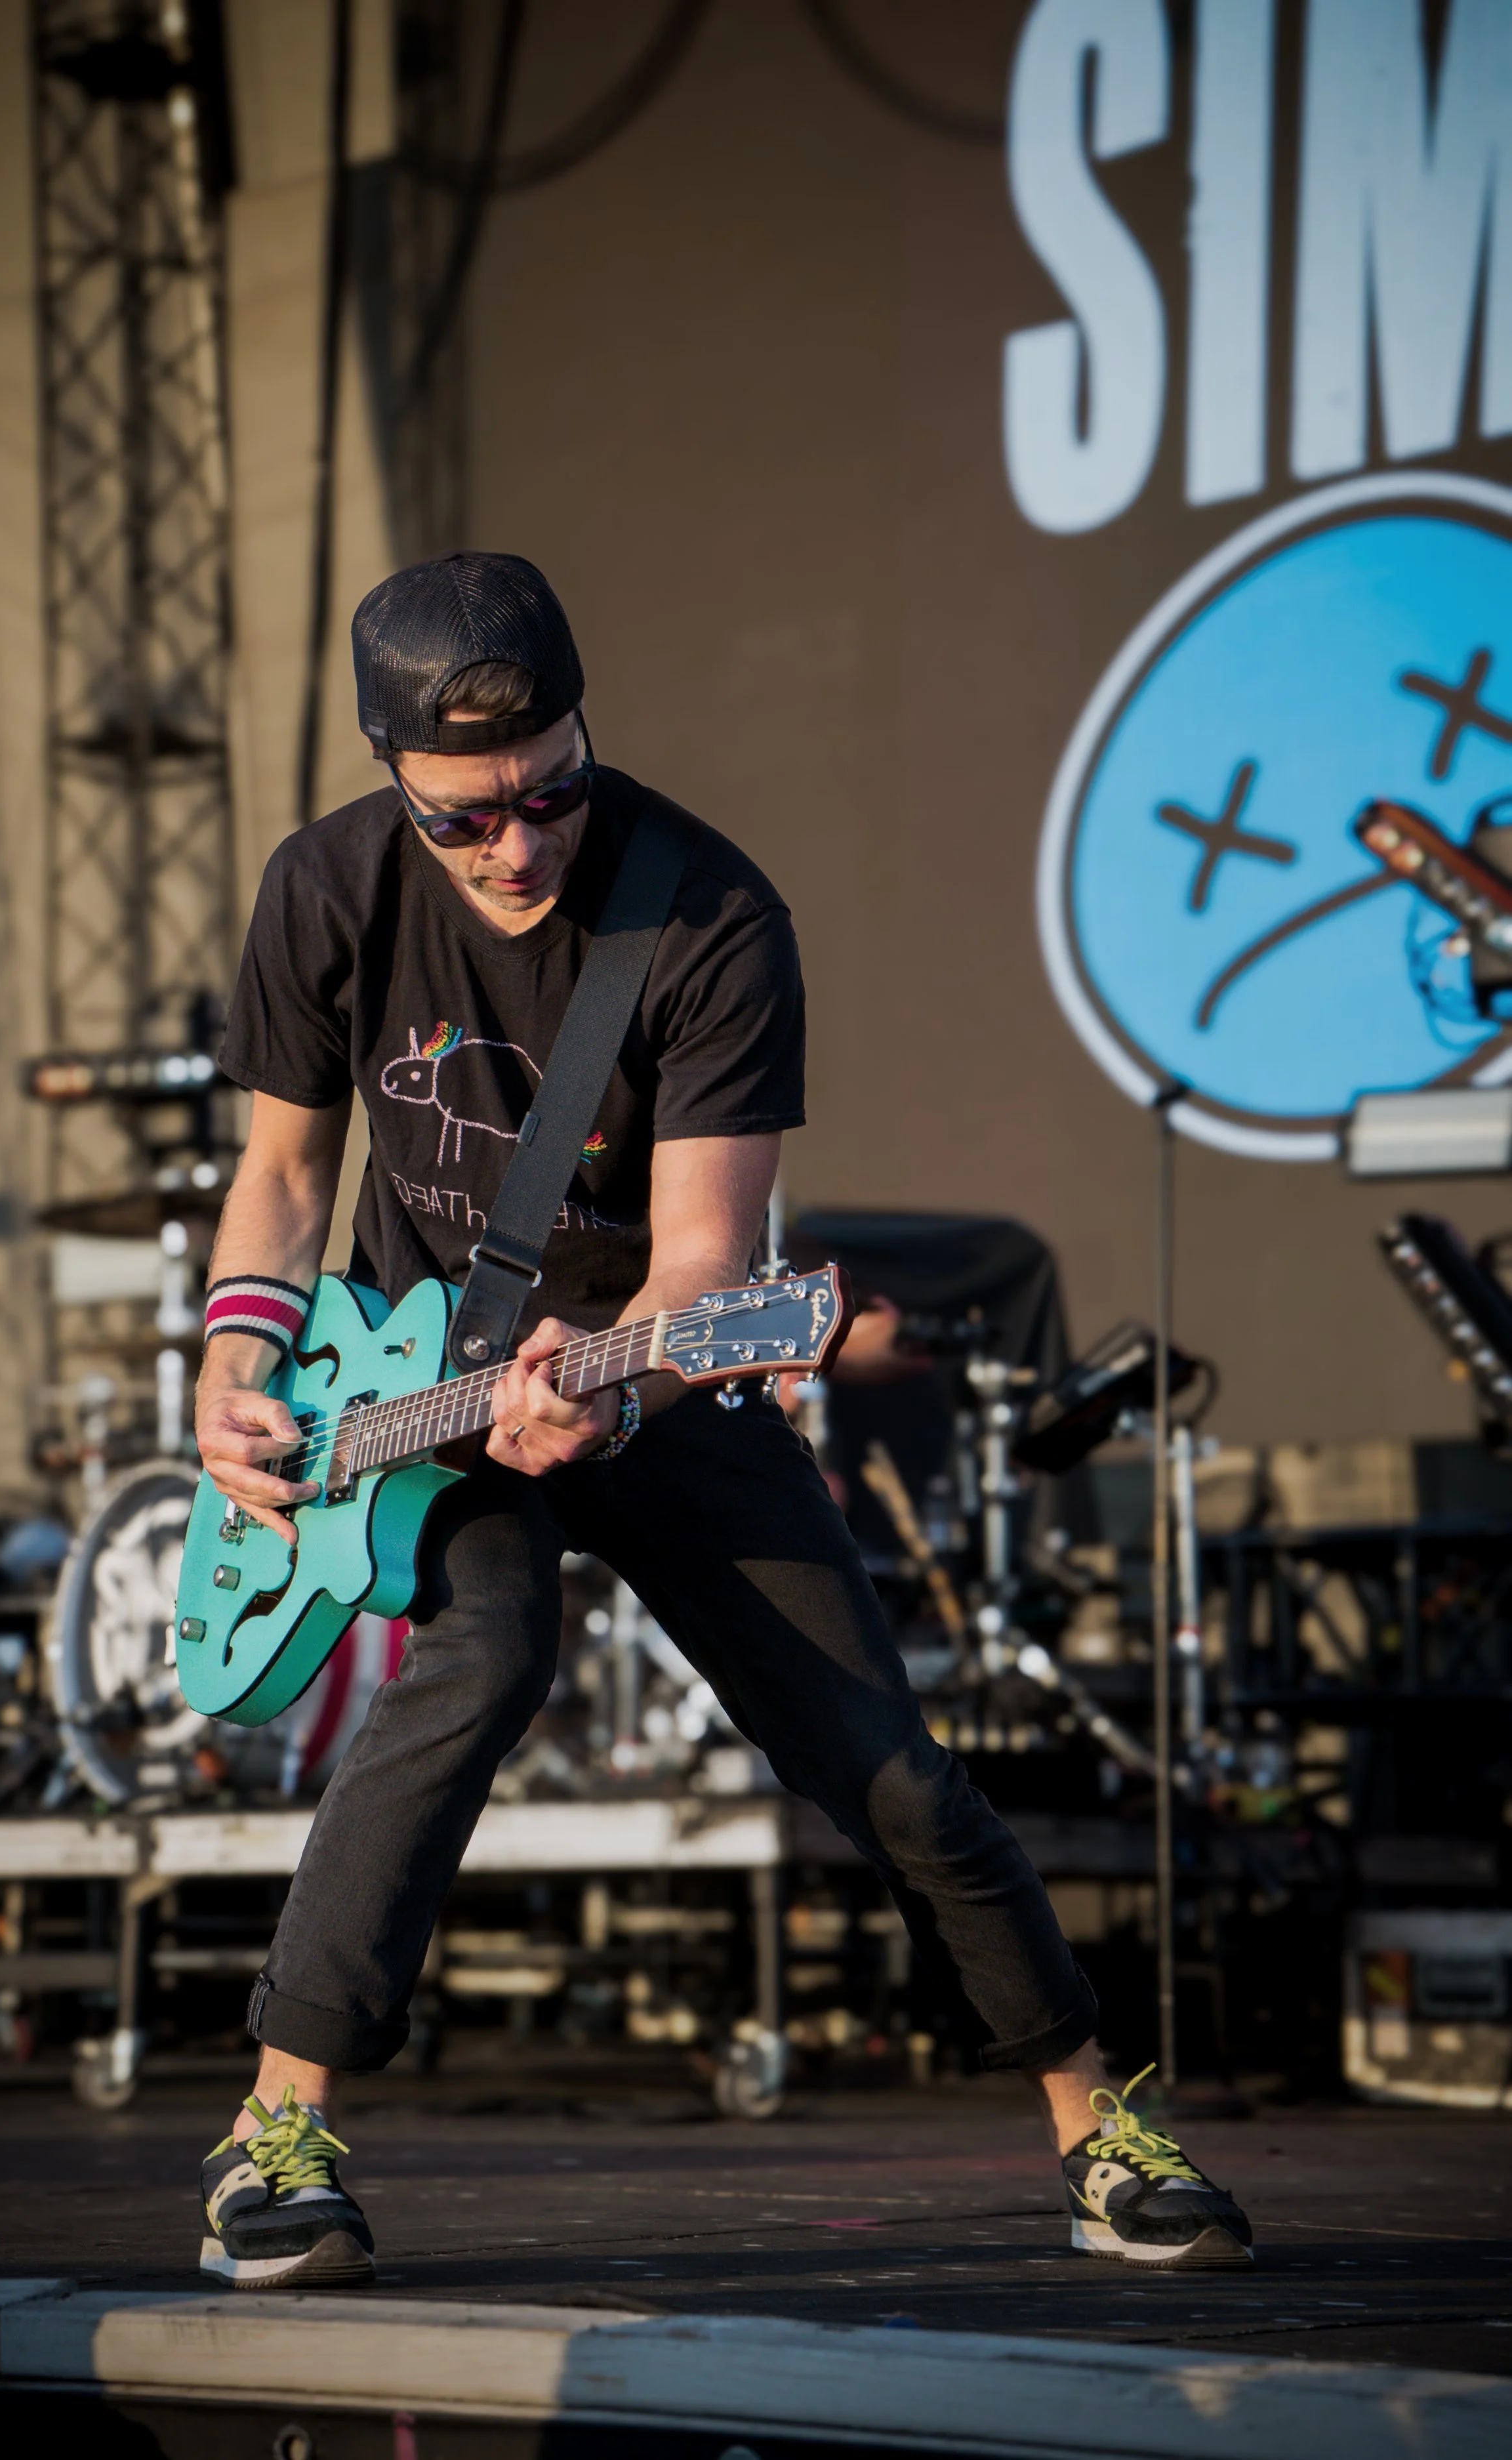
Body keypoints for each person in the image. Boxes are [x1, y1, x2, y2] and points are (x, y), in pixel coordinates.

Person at [192, 552, 1254, 2288]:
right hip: (403, 1382)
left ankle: (1099, 2122)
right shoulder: (322, 887)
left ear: (586, 724)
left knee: (883, 1760)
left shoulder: (705, 912)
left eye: (549, 791)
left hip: (648, 1364)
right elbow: (284, 1174)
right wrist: (235, 1367)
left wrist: (614, 1392)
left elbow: (705, 1263)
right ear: (395, 778)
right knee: (484, 1656)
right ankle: (272, 2136)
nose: (515, 845)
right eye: (466, 819)